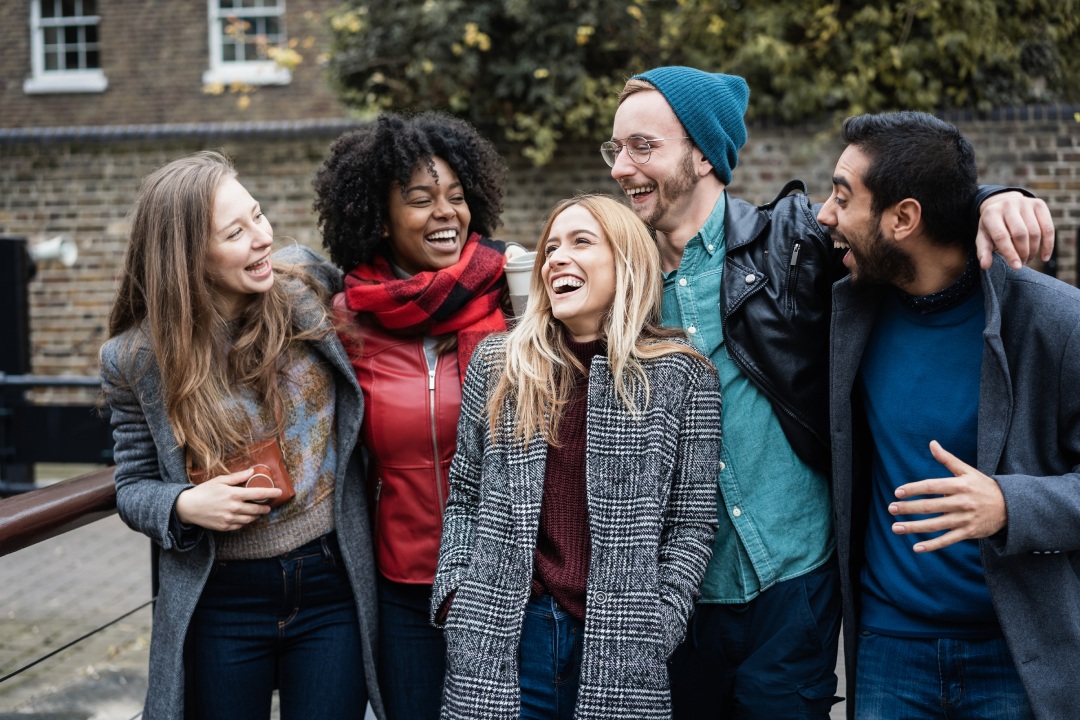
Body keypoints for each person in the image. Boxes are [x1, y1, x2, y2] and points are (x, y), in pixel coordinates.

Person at [602, 65, 1057, 717]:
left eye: (643, 146)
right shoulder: (621, 280)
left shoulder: (794, 245)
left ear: (703, 154)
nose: (621, 167)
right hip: (680, 596)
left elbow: (902, 217)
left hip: (794, 587)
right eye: (614, 149)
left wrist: (991, 198)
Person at [99, 151, 382, 720]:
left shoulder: (304, 284)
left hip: (333, 580)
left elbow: (399, 293)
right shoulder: (135, 358)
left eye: (258, 215)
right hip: (222, 598)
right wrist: (183, 503)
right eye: (236, 231)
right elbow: (130, 485)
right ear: (188, 257)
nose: (262, 238)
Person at [822, 111, 1080, 720]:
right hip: (887, 650)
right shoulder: (846, 306)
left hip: (1017, 654)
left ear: (904, 218)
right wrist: (991, 198)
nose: (824, 216)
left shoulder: (1055, 321)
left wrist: (1010, 505)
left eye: (841, 197)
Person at [431, 193, 721, 719]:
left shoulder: (684, 376)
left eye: (581, 242)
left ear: (626, 261)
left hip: (620, 646)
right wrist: (458, 600)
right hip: (504, 637)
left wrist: (660, 623)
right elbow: (465, 497)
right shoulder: (500, 364)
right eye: (550, 248)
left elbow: (692, 523)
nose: (556, 258)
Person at [313, 111, 521, 720]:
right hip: (403, 586)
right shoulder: (345, 321)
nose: (446, 214)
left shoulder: (511, 297)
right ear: (379, 217)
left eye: (457, 198)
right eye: (422, 199)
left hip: (504, 574)